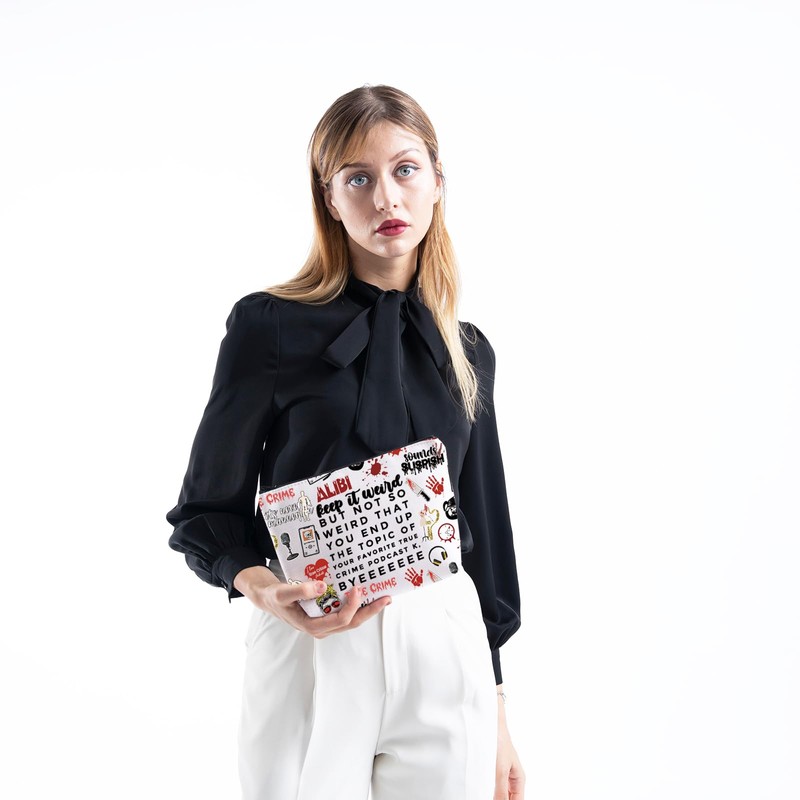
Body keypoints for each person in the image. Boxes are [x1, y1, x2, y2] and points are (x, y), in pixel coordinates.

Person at [165, 84, 525, 800]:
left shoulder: (467, 349)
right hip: (311, 637)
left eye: (405, 169)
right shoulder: (267, 326)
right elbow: (206, 511)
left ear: (438, 181)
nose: (386, 197)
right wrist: (267, 592)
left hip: (445, 644)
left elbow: (484, 535)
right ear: (329, 199)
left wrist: (498, 711)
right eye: (357, 178)